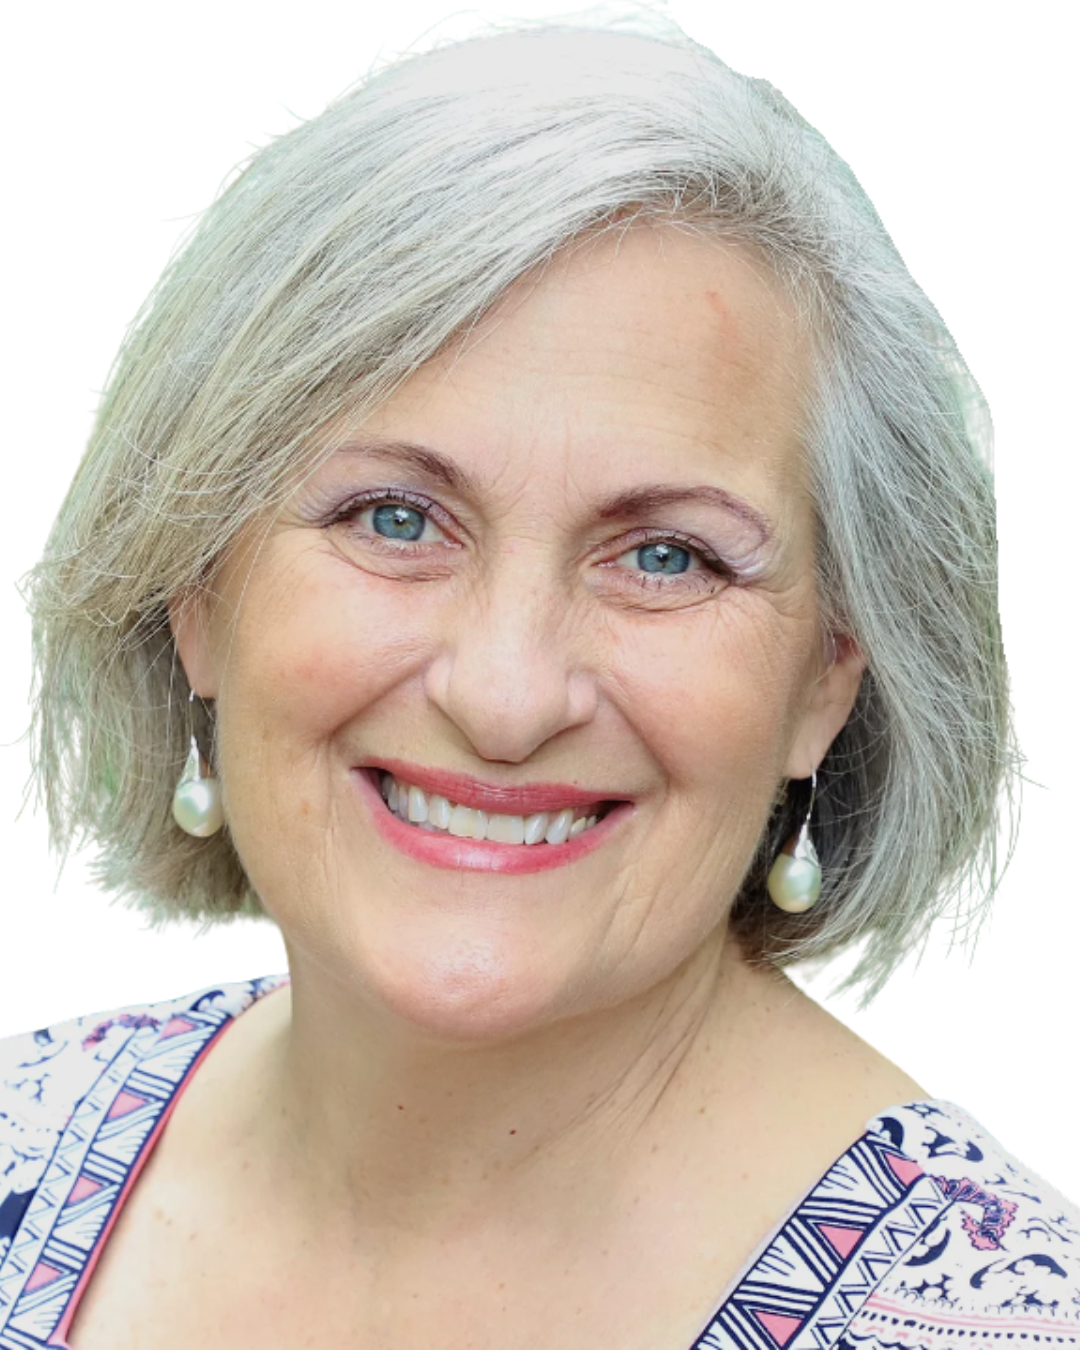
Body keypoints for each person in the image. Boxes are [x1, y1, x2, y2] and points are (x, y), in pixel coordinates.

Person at [1, 15, 1076, 1349]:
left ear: (827, 679)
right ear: (197, 592)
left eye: (668, 555)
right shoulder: (21, 1143)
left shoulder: (1001, 1320)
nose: (506, 697)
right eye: (395, 518)